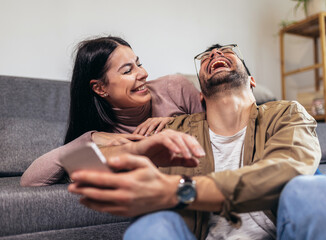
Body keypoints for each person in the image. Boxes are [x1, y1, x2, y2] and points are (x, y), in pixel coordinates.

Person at [68, 43, 326, 240]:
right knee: (150, 226)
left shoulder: (285, 112)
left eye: (226, 52)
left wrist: (180, 190)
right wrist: (137, 147)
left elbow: (291, 167)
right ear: (199, 95)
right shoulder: (174, 129)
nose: (216, 54)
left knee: (317, 190)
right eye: (206, 57)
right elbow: (82, 167)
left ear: (252, 81)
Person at [20, 36, 204, 187]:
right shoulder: (108, 141)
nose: (143, 73)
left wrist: (178, 123)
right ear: (100, 88)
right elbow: (30, 181)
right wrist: (90, 138)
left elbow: (221, 130)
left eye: (139, 64)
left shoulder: (175, 88)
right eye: (127, 71)